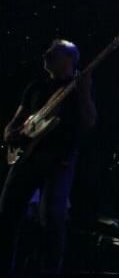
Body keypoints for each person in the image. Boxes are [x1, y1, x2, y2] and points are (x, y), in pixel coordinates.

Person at [0, 39, 96, 273]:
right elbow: (15, 122)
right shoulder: (35, 87)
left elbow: (89, 122)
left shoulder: (77, 88)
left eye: (54, 53)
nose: (46, 54)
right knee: (7, 215)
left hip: (59, 161)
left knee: (51, 221)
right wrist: (10, 134)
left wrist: (84, 92)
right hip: (26, 159)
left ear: (70, 60)